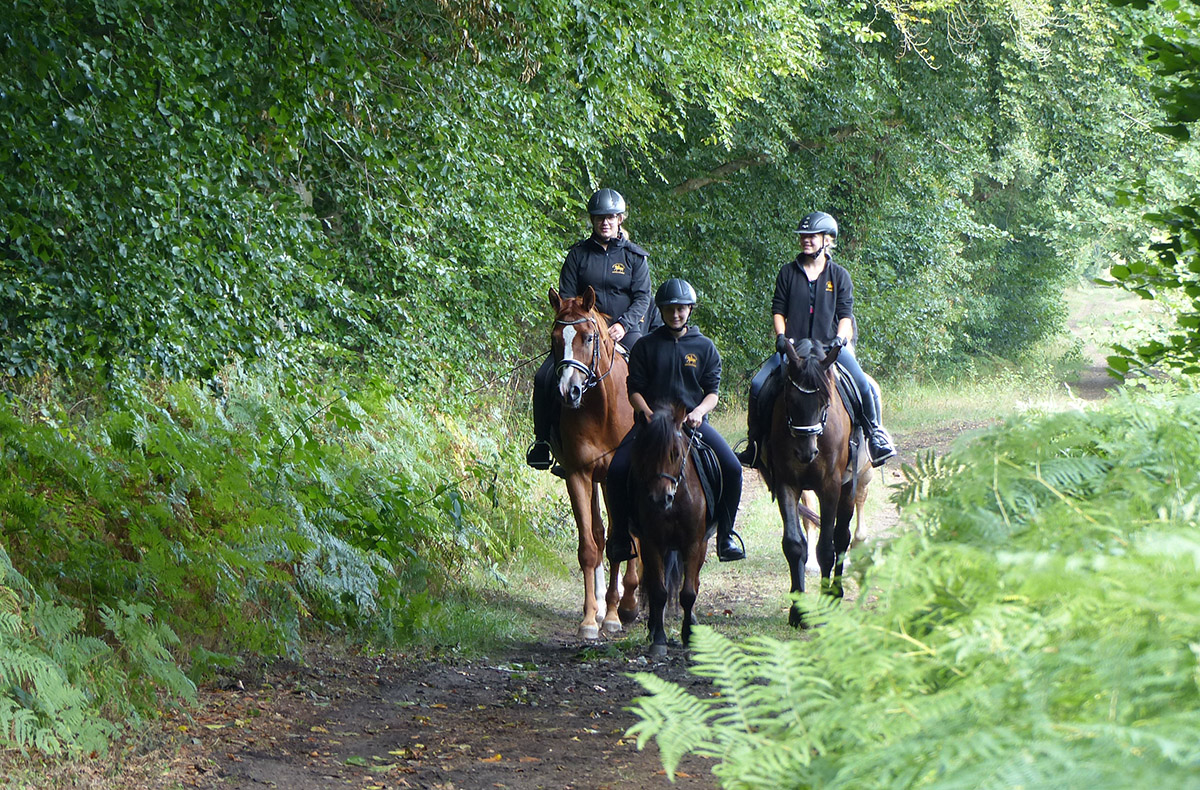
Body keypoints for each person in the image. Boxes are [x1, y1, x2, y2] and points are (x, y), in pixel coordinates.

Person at [736, 211, 896, 468]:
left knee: (864, 385)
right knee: (757, 385)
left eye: (812, 236)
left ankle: (875, 435)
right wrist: (780, 336)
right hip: (795, 350)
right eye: (803, 236)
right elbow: (778, 309)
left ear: (827, 240)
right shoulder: (787, 273)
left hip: (829, 348)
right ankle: (754, 444)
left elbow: (846, 315)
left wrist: (840, 340)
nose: (806, 240)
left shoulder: (840, 275)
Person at [605, 278, 745, 563]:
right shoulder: (645, 346)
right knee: (617, 470)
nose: (676, 314)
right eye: (670, 309)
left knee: (732, 468)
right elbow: (634, 390)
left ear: (690, 310)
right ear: (661, 311)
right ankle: (620, 536)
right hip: (652, 427)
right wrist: (646, 412)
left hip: (692, 424)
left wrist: (698, 412)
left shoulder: (704, 347)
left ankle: (726, 535)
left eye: (681, 309)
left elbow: (713, 392)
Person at [526, 188, 653, 472]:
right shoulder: (578, 256)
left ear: (620, 219)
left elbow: (643, 297)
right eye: (599, 218)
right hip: (581, 332)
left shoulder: (634, 257)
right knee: (544, 376)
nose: (604, 222)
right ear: (592, 221)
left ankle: (655, 438)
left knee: (651, 374)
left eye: (610, 217)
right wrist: (581, 321)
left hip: (625, 330)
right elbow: (566, 297)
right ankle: (545, 443)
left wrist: (622, 324)